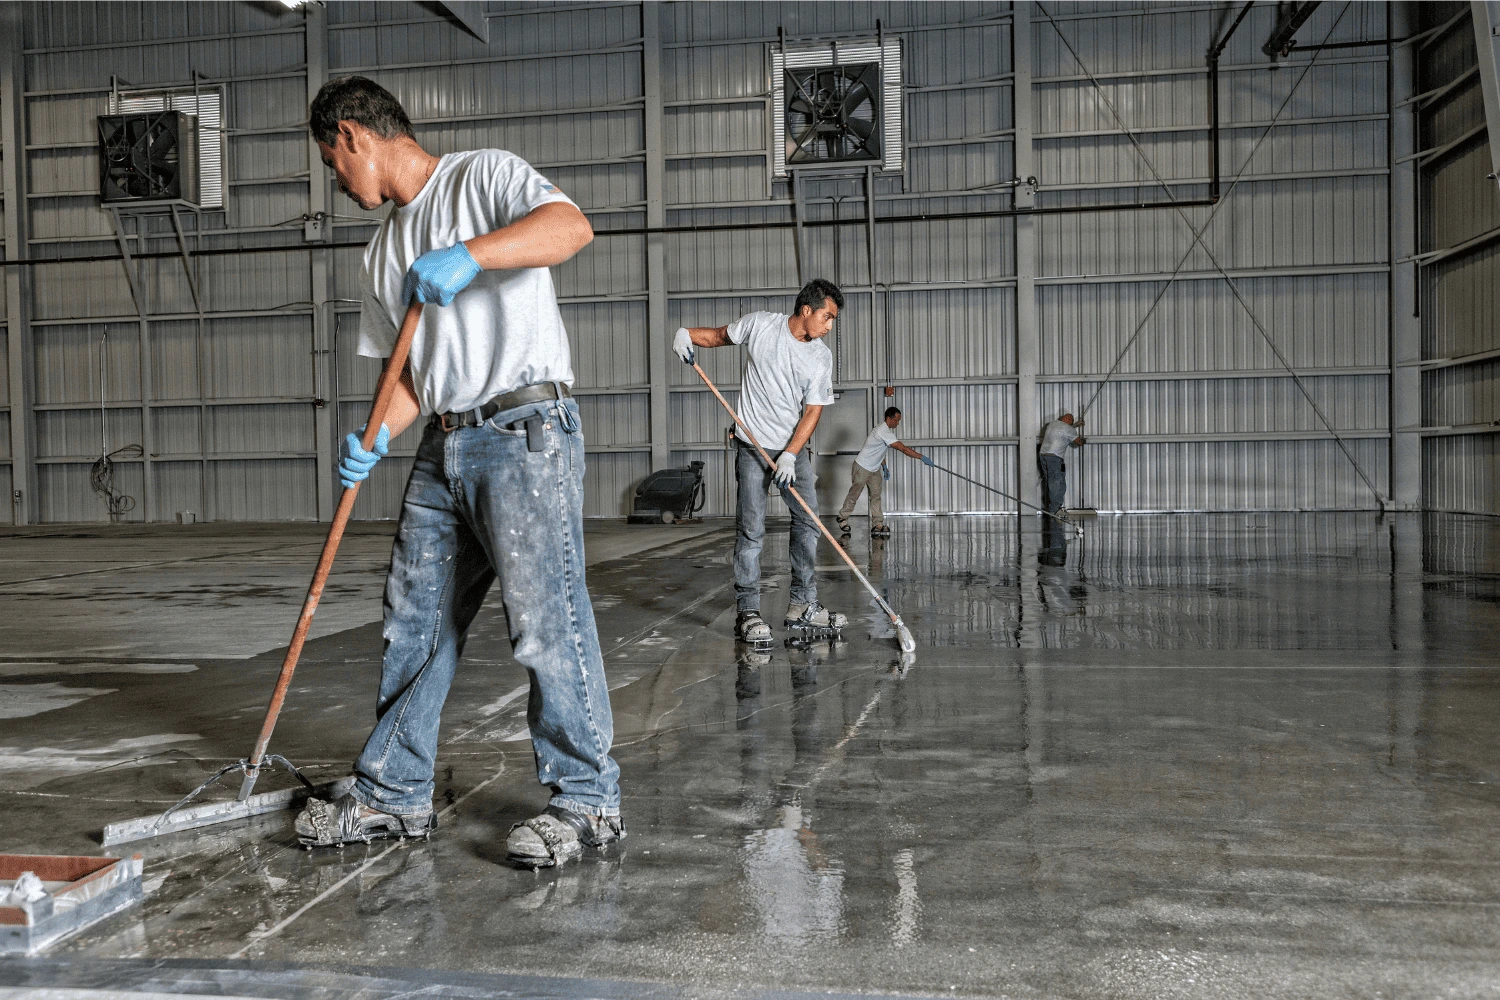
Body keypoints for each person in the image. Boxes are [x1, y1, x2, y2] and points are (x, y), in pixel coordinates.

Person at [293, 75, 623, 868]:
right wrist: (373, 438)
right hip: (444, 444)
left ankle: (588, 799)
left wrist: (471, 255)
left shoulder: (484, 177)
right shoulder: (381, 252)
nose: (336, 183)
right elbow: (408, 375)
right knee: (415, 618)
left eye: (332, 163)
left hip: (524, 427)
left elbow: (570, 228)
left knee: (546, 620)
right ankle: (394, 791)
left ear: (352, 136)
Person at [673, 280, 850, 645]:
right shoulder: (761, 325)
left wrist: (789, 454)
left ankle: (802, 604)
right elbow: (720, 336)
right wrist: (685, 334)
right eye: (828, 317)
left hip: (792, 451)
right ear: (807, 310)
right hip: (751, 447)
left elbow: (813, 411)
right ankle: (748, 612)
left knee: (809, 522)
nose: (830, 325)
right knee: (752, 531)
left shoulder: (820, 356)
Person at [835, 406, 932, 537]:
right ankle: (842, 517)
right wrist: (921, 457)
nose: (898, 423)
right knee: (855, 494)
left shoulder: (885, 432)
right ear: (890, 418)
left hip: (874, 469)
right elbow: (902, 448)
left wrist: (884, 467)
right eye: (897, 420)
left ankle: (877, 524)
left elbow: (879, 451)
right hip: (862, 467)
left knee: (876, 496)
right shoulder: (883, 430)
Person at [1038, 412, 1085, 517]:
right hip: (1055, 457)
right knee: (1057, 483)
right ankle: (1054, 510)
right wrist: (1083, 440)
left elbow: (1062, 430)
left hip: (1043, 455)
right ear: (1069, 420)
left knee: (1050, 482)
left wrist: (1076, 425)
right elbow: (1079, 442)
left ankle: (1052, 507)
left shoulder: (1052, 424)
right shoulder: (1069, 429)